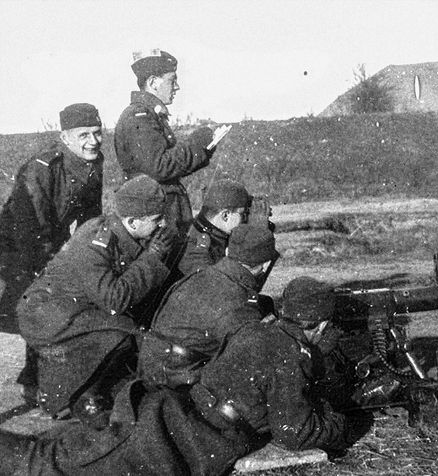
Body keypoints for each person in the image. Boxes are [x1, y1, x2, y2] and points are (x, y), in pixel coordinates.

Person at [0, 277, 350, 476]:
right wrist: (341, 426)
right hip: (182, 438)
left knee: (67, 448)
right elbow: (295, 432)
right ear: (318, 325)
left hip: (171, 412)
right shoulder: (289, 354)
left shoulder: (258, 330)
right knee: (53, 464)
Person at [17, 175, 175, 426]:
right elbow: (115, 299)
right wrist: (153, 258)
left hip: (72, 310)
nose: (163, 224)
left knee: (129, 334)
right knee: (122, 333)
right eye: (156, 219)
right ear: (133, 221)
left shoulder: (121, 232)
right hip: (45, 314)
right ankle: (81, 395)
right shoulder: (95, 242)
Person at [0, 103, 104, 402]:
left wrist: (89, 255)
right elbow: (31, 223)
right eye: (83, 135)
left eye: (97, 133)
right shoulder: (42, 167)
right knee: (33, 306)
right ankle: (34, 382)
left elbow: (91, 219)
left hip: (48, 242)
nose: (92, 141)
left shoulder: (93, 162)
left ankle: (36, 382)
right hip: (15, 245)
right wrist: (50, 265)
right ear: (65, 137)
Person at [138, 223, 279, 388]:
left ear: (228, 252)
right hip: (179, 382)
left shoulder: (201, 274)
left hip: (150, 367)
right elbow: (251, 356)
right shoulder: (238, 302)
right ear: (265, 265)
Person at [114, 49, 218, 242]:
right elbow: (160, 167)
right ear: (153, 82)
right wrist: (198, 144)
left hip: (163, 211)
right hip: (156, 215)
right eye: (172, 80)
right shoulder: (139, 117)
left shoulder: (148, 115)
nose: (176, 87)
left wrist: (205, 148)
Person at [177, 179, 251, 277]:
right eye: (243, 214)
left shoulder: (208, 234)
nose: (246, 220)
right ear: (225, 216)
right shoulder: (196, 252)